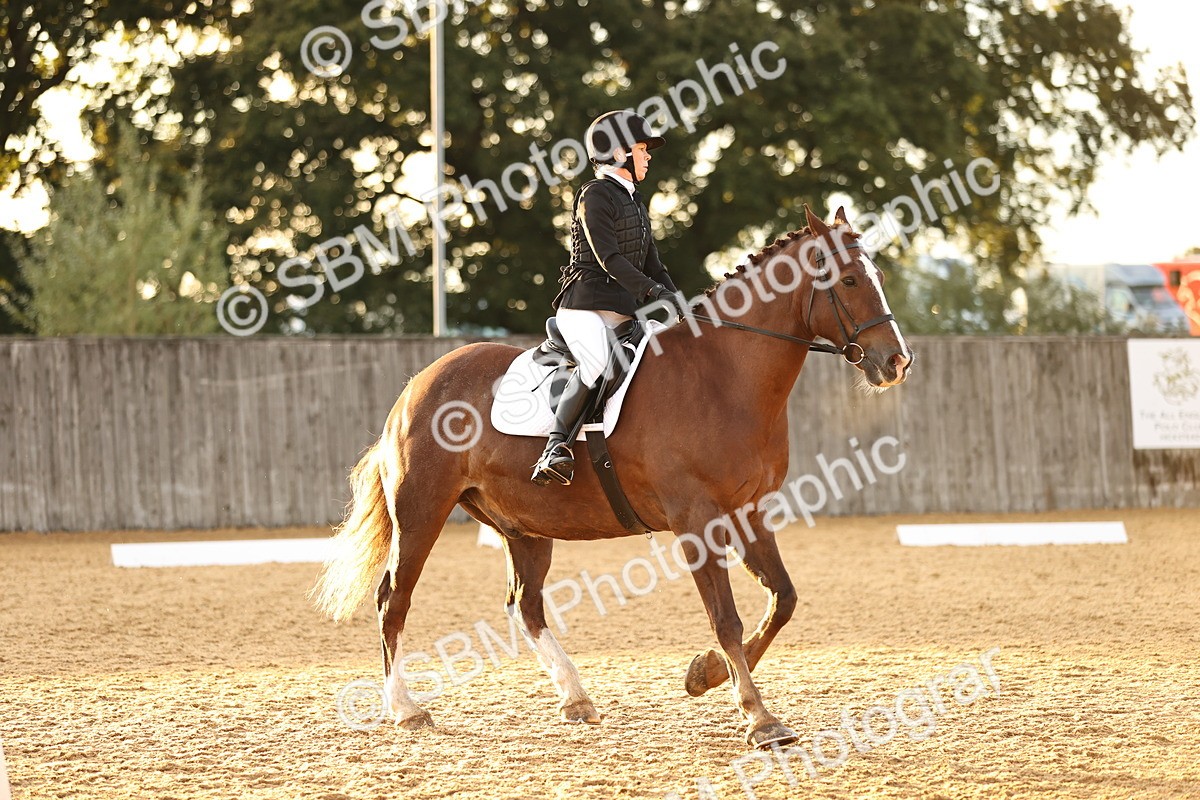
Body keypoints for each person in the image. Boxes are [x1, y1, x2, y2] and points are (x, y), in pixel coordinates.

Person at [531, 110, 688, 486]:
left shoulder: (635, 202)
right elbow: (610, 259)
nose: (648, 156)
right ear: (618, 152)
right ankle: (555, 448)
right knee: (598, 362)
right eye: (641, 149)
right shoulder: (595, 194)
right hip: (584, 307)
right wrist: (654, 292)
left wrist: (680, 302)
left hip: (622, 311)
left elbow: (653, 263)